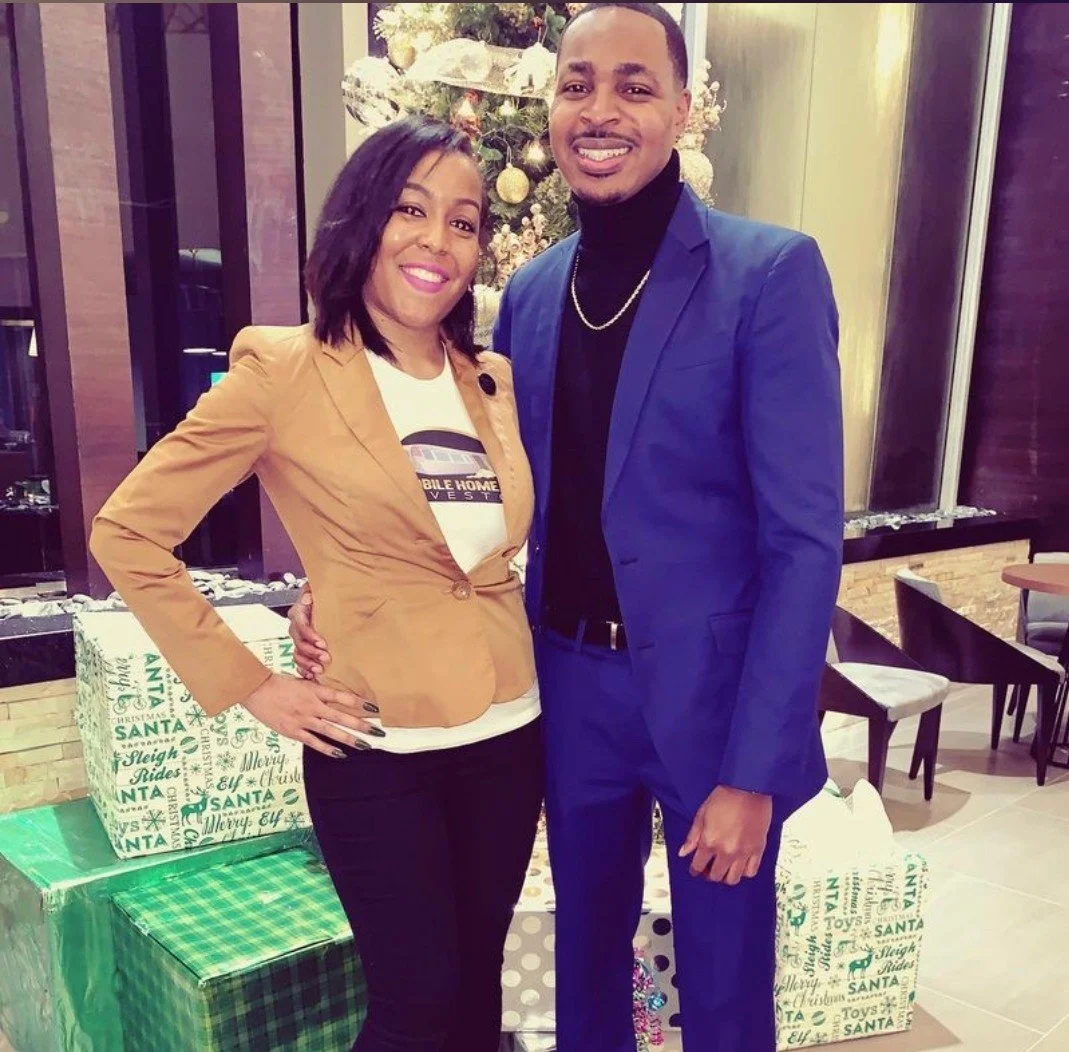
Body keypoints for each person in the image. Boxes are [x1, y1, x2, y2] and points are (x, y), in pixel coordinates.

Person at [293, 4, 843, 1050]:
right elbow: (469, 495)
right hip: (568, 688)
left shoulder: (768, 274)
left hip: (712, 703)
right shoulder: (531, 298)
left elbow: (805, 540)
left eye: (634, 87)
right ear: (550, 110)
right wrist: (338, 586)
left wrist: (753, 769)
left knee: (724, 988)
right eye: (576, 84)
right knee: (583, 975)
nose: (600, 110)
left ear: (681, 109)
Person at [90, 116, 543, 1052]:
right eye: (411, 210)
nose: (438, 241)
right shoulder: (283, 371)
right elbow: (128, 532)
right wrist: (256, 684)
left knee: (473, 996)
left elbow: (471, 558)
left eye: (463, 222)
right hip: (375, 744)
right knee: (414, 1007)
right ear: (361, 222)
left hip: (509, 730)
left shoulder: (488, 378)